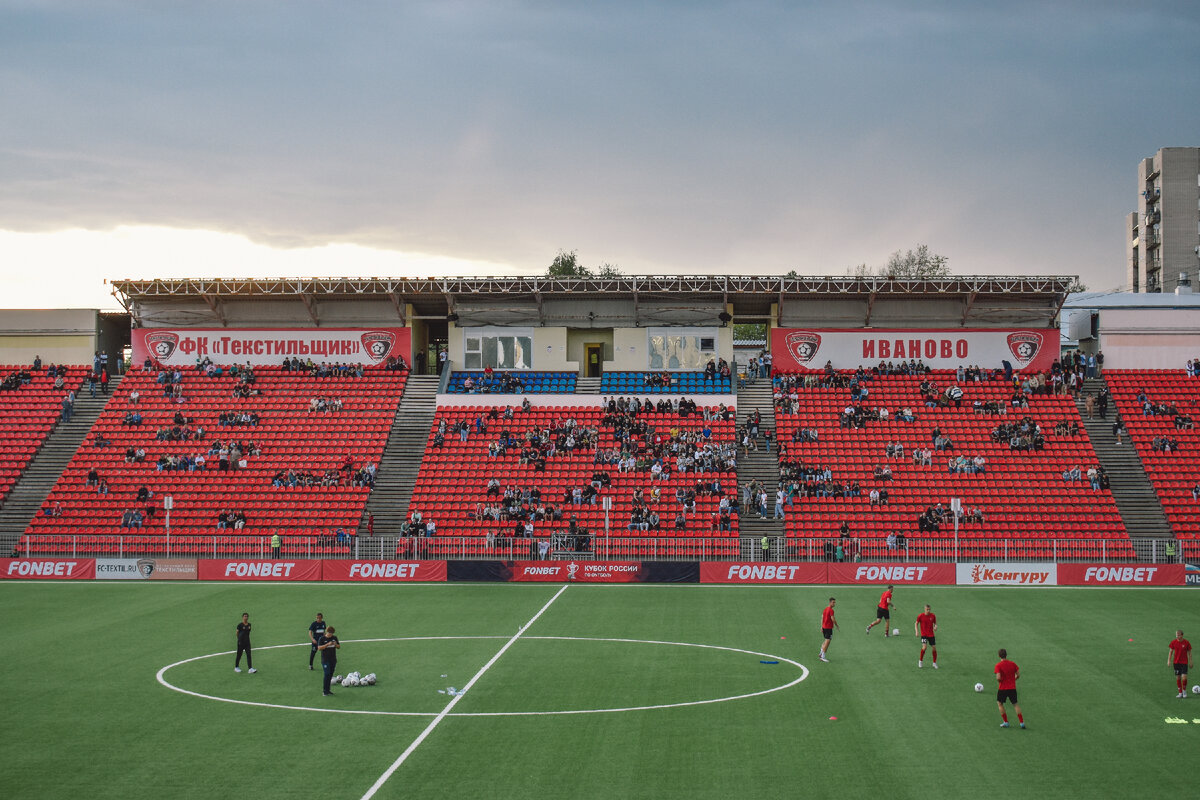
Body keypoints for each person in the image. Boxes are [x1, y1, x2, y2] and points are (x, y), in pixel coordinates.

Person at [994, 648, 1024, 728]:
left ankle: (1006, 722)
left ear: (999, 656)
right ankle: (1021, 723)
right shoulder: (1013, 664)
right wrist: (1013, 680)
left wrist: (1000, 681)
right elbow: (1018, 675)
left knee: (1000, 704)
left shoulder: (998, 665)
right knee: (1015, 704)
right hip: (1012, 688)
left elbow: (998, 677)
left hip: (1003, 688)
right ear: (1006, 655)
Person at [1168, 629, 1192, 699]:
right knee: (1178, 677)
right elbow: (1170, 652)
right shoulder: (1173, 642)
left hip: (1184, 663)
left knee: (1184, 677)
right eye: (1176, 635)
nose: (1177, 636)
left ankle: (1184, 691)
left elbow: (1189, 652)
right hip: (1176, 663)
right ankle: (1180, 692)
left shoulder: (1186, 643)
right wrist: (1169, 661)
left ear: (1182, 635)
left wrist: (1191, 661)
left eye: (1178, 635)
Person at [318, 625, 341, 696]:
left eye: (332, 633)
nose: (331, 634)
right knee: (327, 674)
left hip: (333, 659)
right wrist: (327, 644)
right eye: (330, 633)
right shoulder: (322, 639)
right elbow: (319, 648)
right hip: (325, 659)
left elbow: (339, 647)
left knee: (330, 674)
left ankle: (328, 690)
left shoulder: (334, 638)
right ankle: (324, 691)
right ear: (327, 632)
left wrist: (335, 644)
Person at [915, 604, 938, 668]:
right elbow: (916, 623)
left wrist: (935, 627)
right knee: (924, 647)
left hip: (931, 634)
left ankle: (934, 663)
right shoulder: (920, 616)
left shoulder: (933, 616)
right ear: (924, 609)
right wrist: (917, 631)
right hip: (924, 634)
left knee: (934, 648)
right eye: (927, 609)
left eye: (929, 609)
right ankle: (920, 661)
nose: (928, 611)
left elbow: (935, 623)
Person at [819, 598, 839, 663]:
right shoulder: (831, 610)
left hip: (824, 627)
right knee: (828, 641)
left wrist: (821, 626)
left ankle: (821, 652)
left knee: (825, 640)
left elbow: (822, 617)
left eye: (834, 602)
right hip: (828, 628)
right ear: (830, 602)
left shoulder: (825, 609)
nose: (834, 604)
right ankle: (823, 656)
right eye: (833, 602)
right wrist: (836, 625)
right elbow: (832, 619)